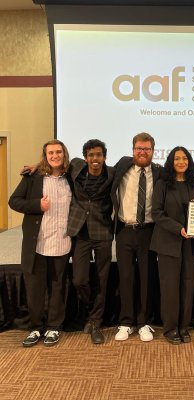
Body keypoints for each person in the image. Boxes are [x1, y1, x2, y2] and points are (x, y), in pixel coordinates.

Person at [9, 139, 72, 347]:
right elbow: (14, 201)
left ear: (64, 154)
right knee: (35, 288)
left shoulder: (71, 177)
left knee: (57, 288)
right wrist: (37, 205)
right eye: (51, 153)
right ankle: (35, 328)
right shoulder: (33, 178)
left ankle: (54, 327)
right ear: (45, 156)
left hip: (62, 242)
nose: (55, 156)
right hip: (37, 244)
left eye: (58, 152)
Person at [111, 132, 162, 342]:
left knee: (147, 278)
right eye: (139, 148)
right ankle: (126, 322)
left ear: (153, 151)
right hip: (124, 230)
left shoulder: (159, 172)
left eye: (147, 149)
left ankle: (144, 323)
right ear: (133, 150)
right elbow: (84, 164)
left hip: (149, 232)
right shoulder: (122, 166)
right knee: (126, 277)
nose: (142, 152)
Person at [150, 146, 194, 345]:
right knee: (170, 288)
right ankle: (170, 328)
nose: (181, 161)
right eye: (177, 158)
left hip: (188, 244)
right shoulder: (163, 184)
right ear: (171, 162)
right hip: (168, 243)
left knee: (188, 286)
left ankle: (183, 326)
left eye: (185, 158)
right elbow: (157, 213)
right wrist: (178, 228)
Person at [67, 139, 115, 344]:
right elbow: (53, 163)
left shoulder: (112, 173)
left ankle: (96, 321)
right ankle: (89, 311)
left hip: (102, 231)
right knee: (80, 279)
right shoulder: (76, 167)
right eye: (91, 155)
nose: (95, 159)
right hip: (80, 232)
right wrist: (35, 166)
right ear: (86, 157)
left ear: (104, 156)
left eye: (98, 155)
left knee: (102, 280)